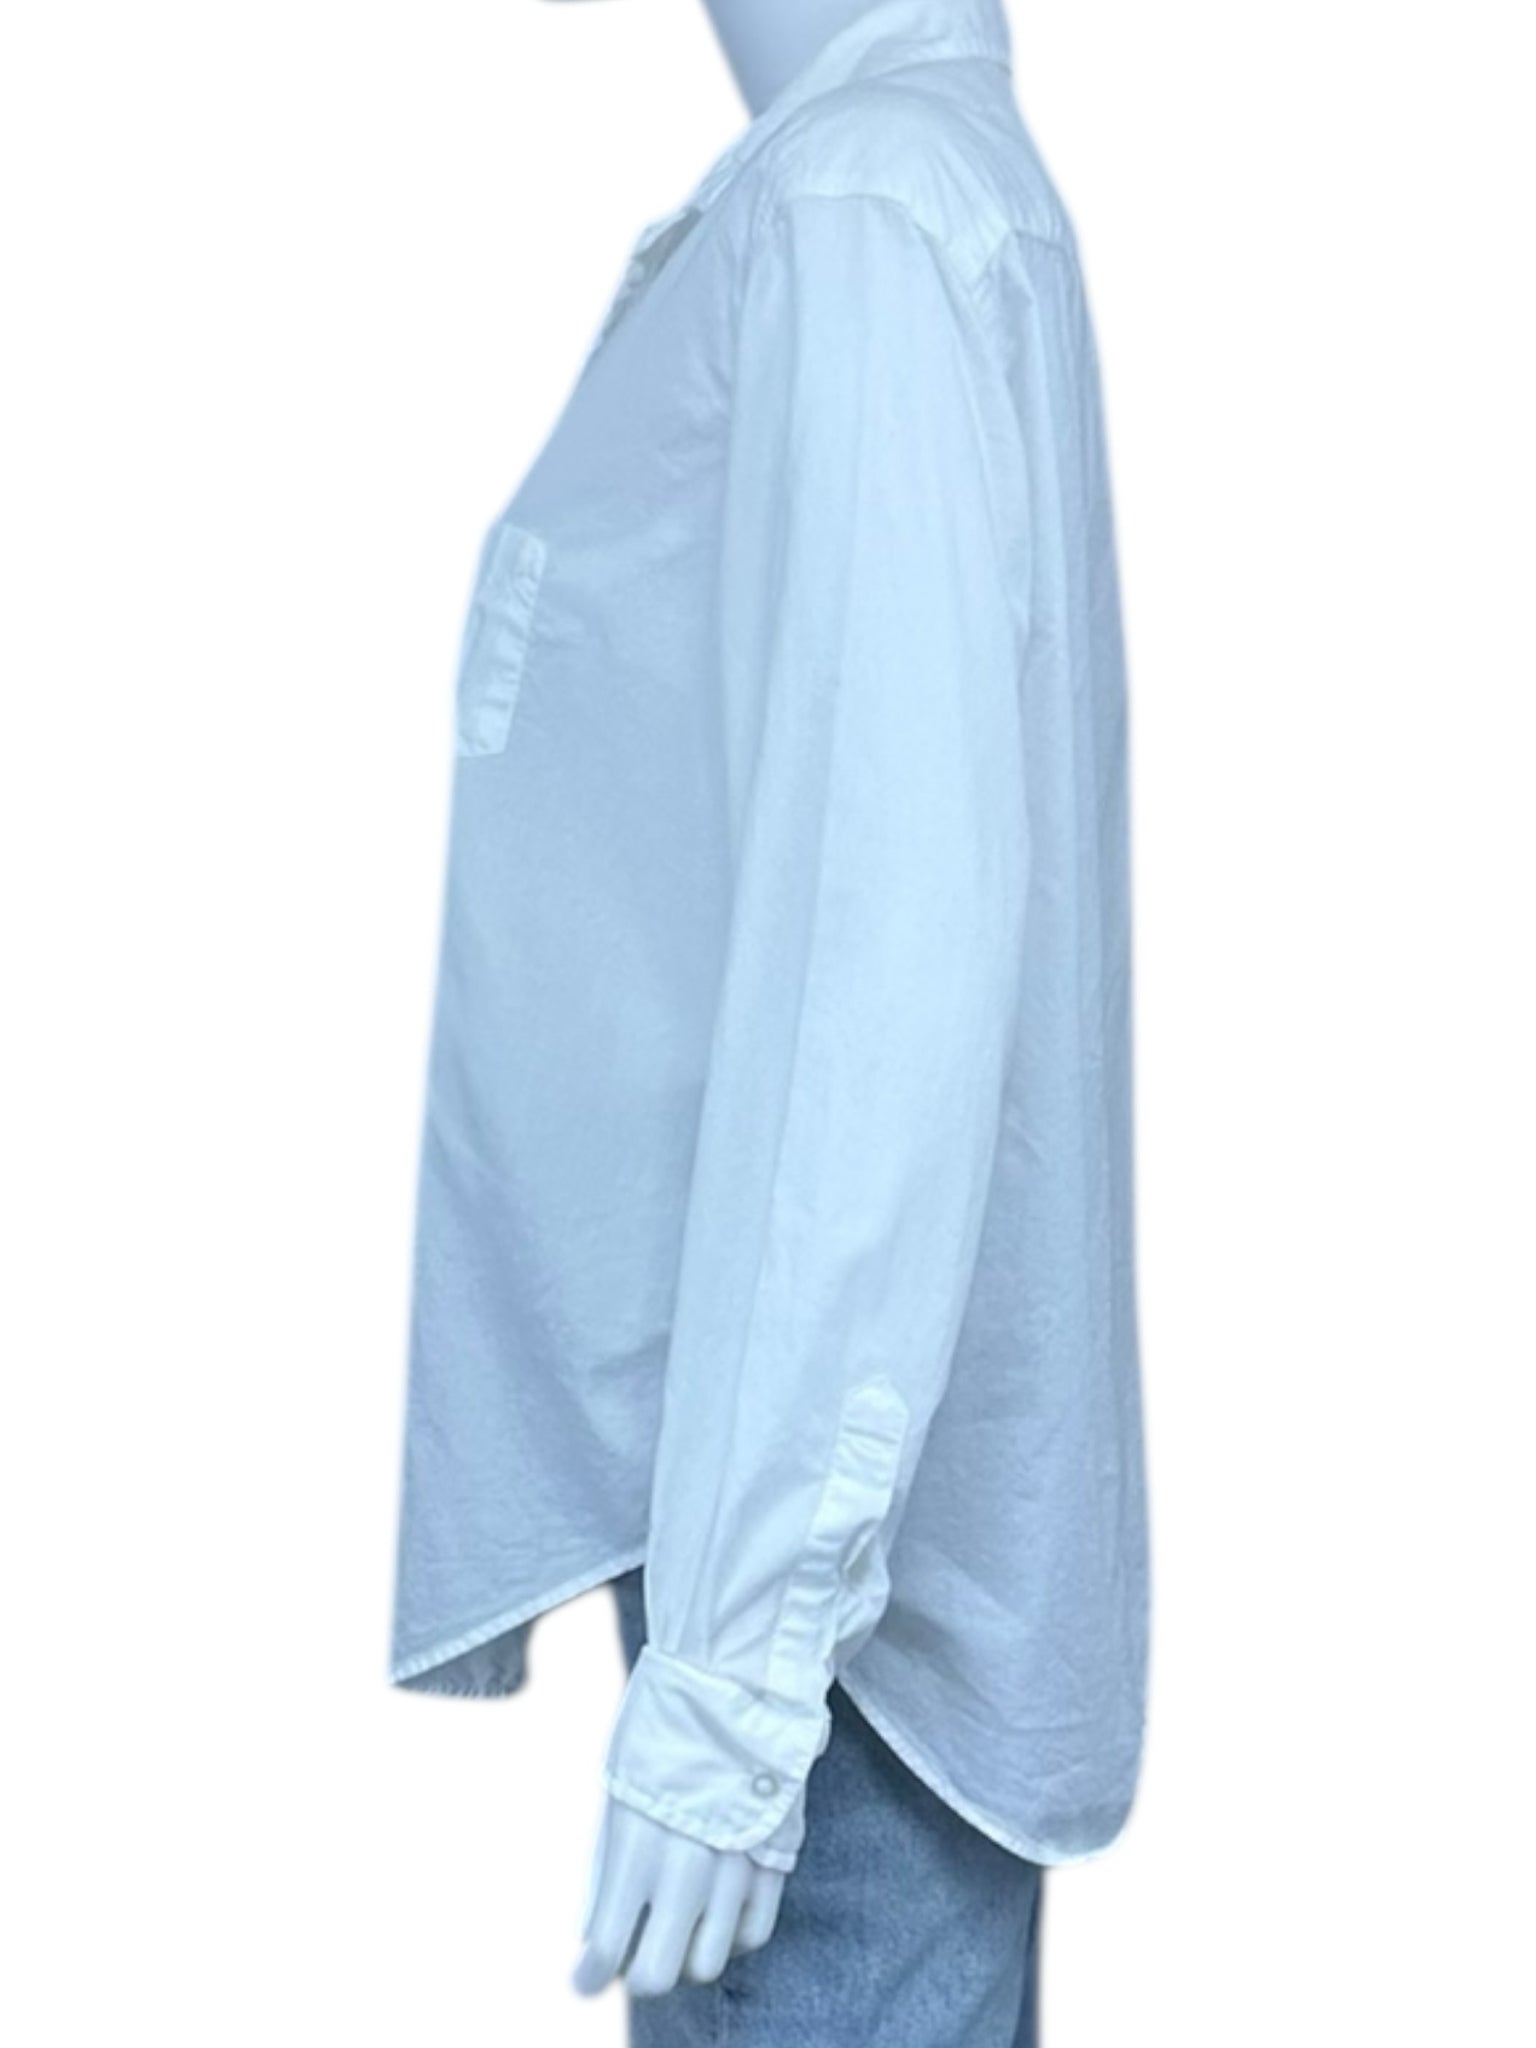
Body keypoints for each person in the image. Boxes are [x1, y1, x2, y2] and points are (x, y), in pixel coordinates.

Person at [387, 3, 1150, 2039]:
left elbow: (874, 977)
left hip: (825, 1609)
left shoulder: (864, 209)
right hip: (792, 1515)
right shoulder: (878, 191)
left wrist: (736, 1681)